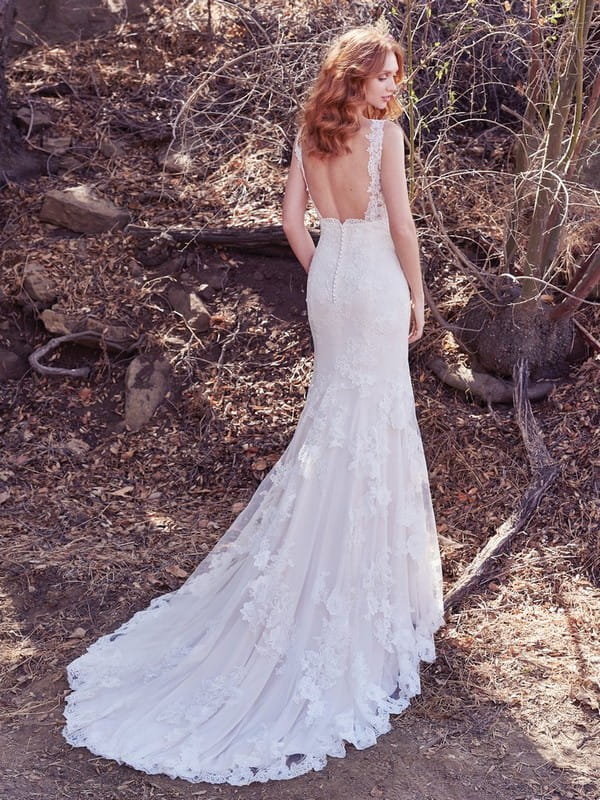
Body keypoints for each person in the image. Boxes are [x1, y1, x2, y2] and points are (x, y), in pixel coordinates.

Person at [62, 26, 445, 787]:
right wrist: (418, 295)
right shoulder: (386, 137)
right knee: (369, 423)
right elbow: (401, 225)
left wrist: (324, 265)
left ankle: (340, 564)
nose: (392, 89)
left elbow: (290, 224)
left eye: (396, 78)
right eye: (383, 77)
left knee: (338, 420)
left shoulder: (310, 130)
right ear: (357, 78)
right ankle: (363, 580)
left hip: (329, 281)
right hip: (369, 284)